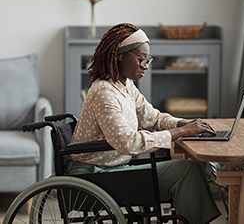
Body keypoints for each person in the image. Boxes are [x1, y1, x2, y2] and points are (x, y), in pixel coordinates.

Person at [64, 23, 221, 224]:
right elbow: (127, 143)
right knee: (186, 171)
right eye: (141, 59)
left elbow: (152, 117)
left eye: (148, 60)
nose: (146, 65)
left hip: (114, 168)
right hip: (95, 174)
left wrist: (184, 123)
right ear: (119, 55)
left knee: (188, 169)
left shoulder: (125, 85)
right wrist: (180, 132)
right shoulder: (104, 92)